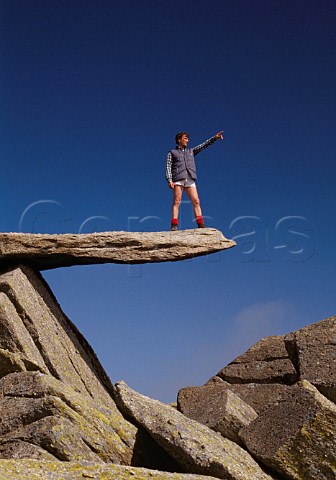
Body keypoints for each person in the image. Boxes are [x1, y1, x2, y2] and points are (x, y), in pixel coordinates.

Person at [165, 130, 224, 230]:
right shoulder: (172, 153)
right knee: (177, 201)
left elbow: (203, 145)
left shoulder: (191, 151)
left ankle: (200, 223)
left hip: (190, 178)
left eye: (187, 139)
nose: (187, 140)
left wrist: (214, 138)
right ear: (179, 140)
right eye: (185, 138)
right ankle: (174, 224)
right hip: (178, 178)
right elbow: (168, 166)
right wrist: (169, 180)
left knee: (196, 201)